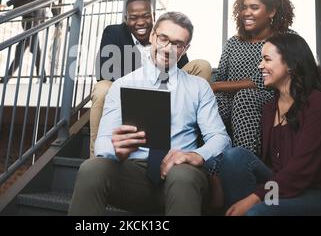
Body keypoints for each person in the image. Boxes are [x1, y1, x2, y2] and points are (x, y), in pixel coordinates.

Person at [68, 12, 231, 216]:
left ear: (185, 49)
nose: (168, 48)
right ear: (153, 36)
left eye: (177, 43)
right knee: (91, 169)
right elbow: (102, 144)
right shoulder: (122, 85)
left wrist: (197, 155)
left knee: (182, 176)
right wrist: (116, 150)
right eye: (163, 38)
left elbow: (220, 138)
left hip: (181, 174)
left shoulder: (199, 87)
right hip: (134, 173)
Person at [218, 33, 321, 216]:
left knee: (256, 211)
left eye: (267, 59)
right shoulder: (269, 108)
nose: (260, 66)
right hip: (282, 186)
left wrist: (254, 198)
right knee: (234, 157)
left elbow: (301, 170)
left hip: (319, 192)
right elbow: (272, 166)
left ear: (291, 64)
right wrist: (258, 196)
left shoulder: (319, 104)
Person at [90, 0, 212, 157]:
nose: (140, 22)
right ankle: (98, 155)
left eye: (146, 16)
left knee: (202, 65)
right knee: (101, 88)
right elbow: (105, 70)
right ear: (126, 19)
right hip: (131, 88)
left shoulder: (164, 33)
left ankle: (183, 130)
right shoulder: (114, 32)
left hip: (170, 85)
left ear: (153, 16)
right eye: (134, 17)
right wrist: (146, 78)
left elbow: (181, 63)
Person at [211, 0, 295, 155]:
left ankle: (244, 162)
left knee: (245, 97)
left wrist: (216, 86)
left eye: (254, 7)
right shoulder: (234, 42)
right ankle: (212, 163)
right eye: (244, 7)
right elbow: (220, 75)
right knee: (213, 103)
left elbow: (259, 82)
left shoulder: (286, 39)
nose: (246, 13)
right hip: (229, 101)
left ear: (271, 11)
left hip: (270, 98)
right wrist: (214, 88)